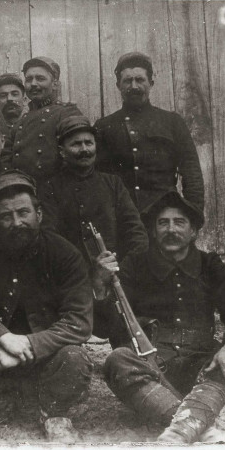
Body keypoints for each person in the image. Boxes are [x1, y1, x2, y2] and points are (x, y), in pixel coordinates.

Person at [100, 191, 225, 444]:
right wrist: (100, 285)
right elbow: (106, 323)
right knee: (117, 360)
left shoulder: (210, 265)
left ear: (193, 231)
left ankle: (177, 433)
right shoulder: (135, 265)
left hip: (199, 367)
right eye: (163, 223)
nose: (170, 229)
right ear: (153, 231)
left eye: (179, 222)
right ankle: (198, 426)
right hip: (150, 366)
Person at [0, 170, 94, 443]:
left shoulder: (65, 255)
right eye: (6, 216)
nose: (16, 222)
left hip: (43, 354)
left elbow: (79, 321)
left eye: (23, 213)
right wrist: (0, 337)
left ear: (38, 214)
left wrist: (27, 345)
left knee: (74, 358)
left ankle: (54, 413)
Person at [40, 115, 148, 342]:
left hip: (116, 277)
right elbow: (48, 238)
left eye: (88, 143)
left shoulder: (113, 184)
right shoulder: (49, 188)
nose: (84, 149)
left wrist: (119, 270)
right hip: (71, 282)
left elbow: (136, 233)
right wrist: (87, 274)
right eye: (76, 144)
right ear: (62, 151)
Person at [94, 52, 204, 212]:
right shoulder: (104, 126)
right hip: (123, 218)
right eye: (127, 81)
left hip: (163, 217)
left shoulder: (172, 122)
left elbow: (191, 171)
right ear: (118, 85)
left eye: (140, 80)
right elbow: (97, 178)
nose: (134, 87)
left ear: (151, 83)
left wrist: (193, 214)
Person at [3, 57, 82, 182]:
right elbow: (6, 159)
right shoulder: (21, 121)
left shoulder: (67, 113)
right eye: (29, 79)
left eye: (40, 78)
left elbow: (77, 158)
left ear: (55, 84)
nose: (33, 84)